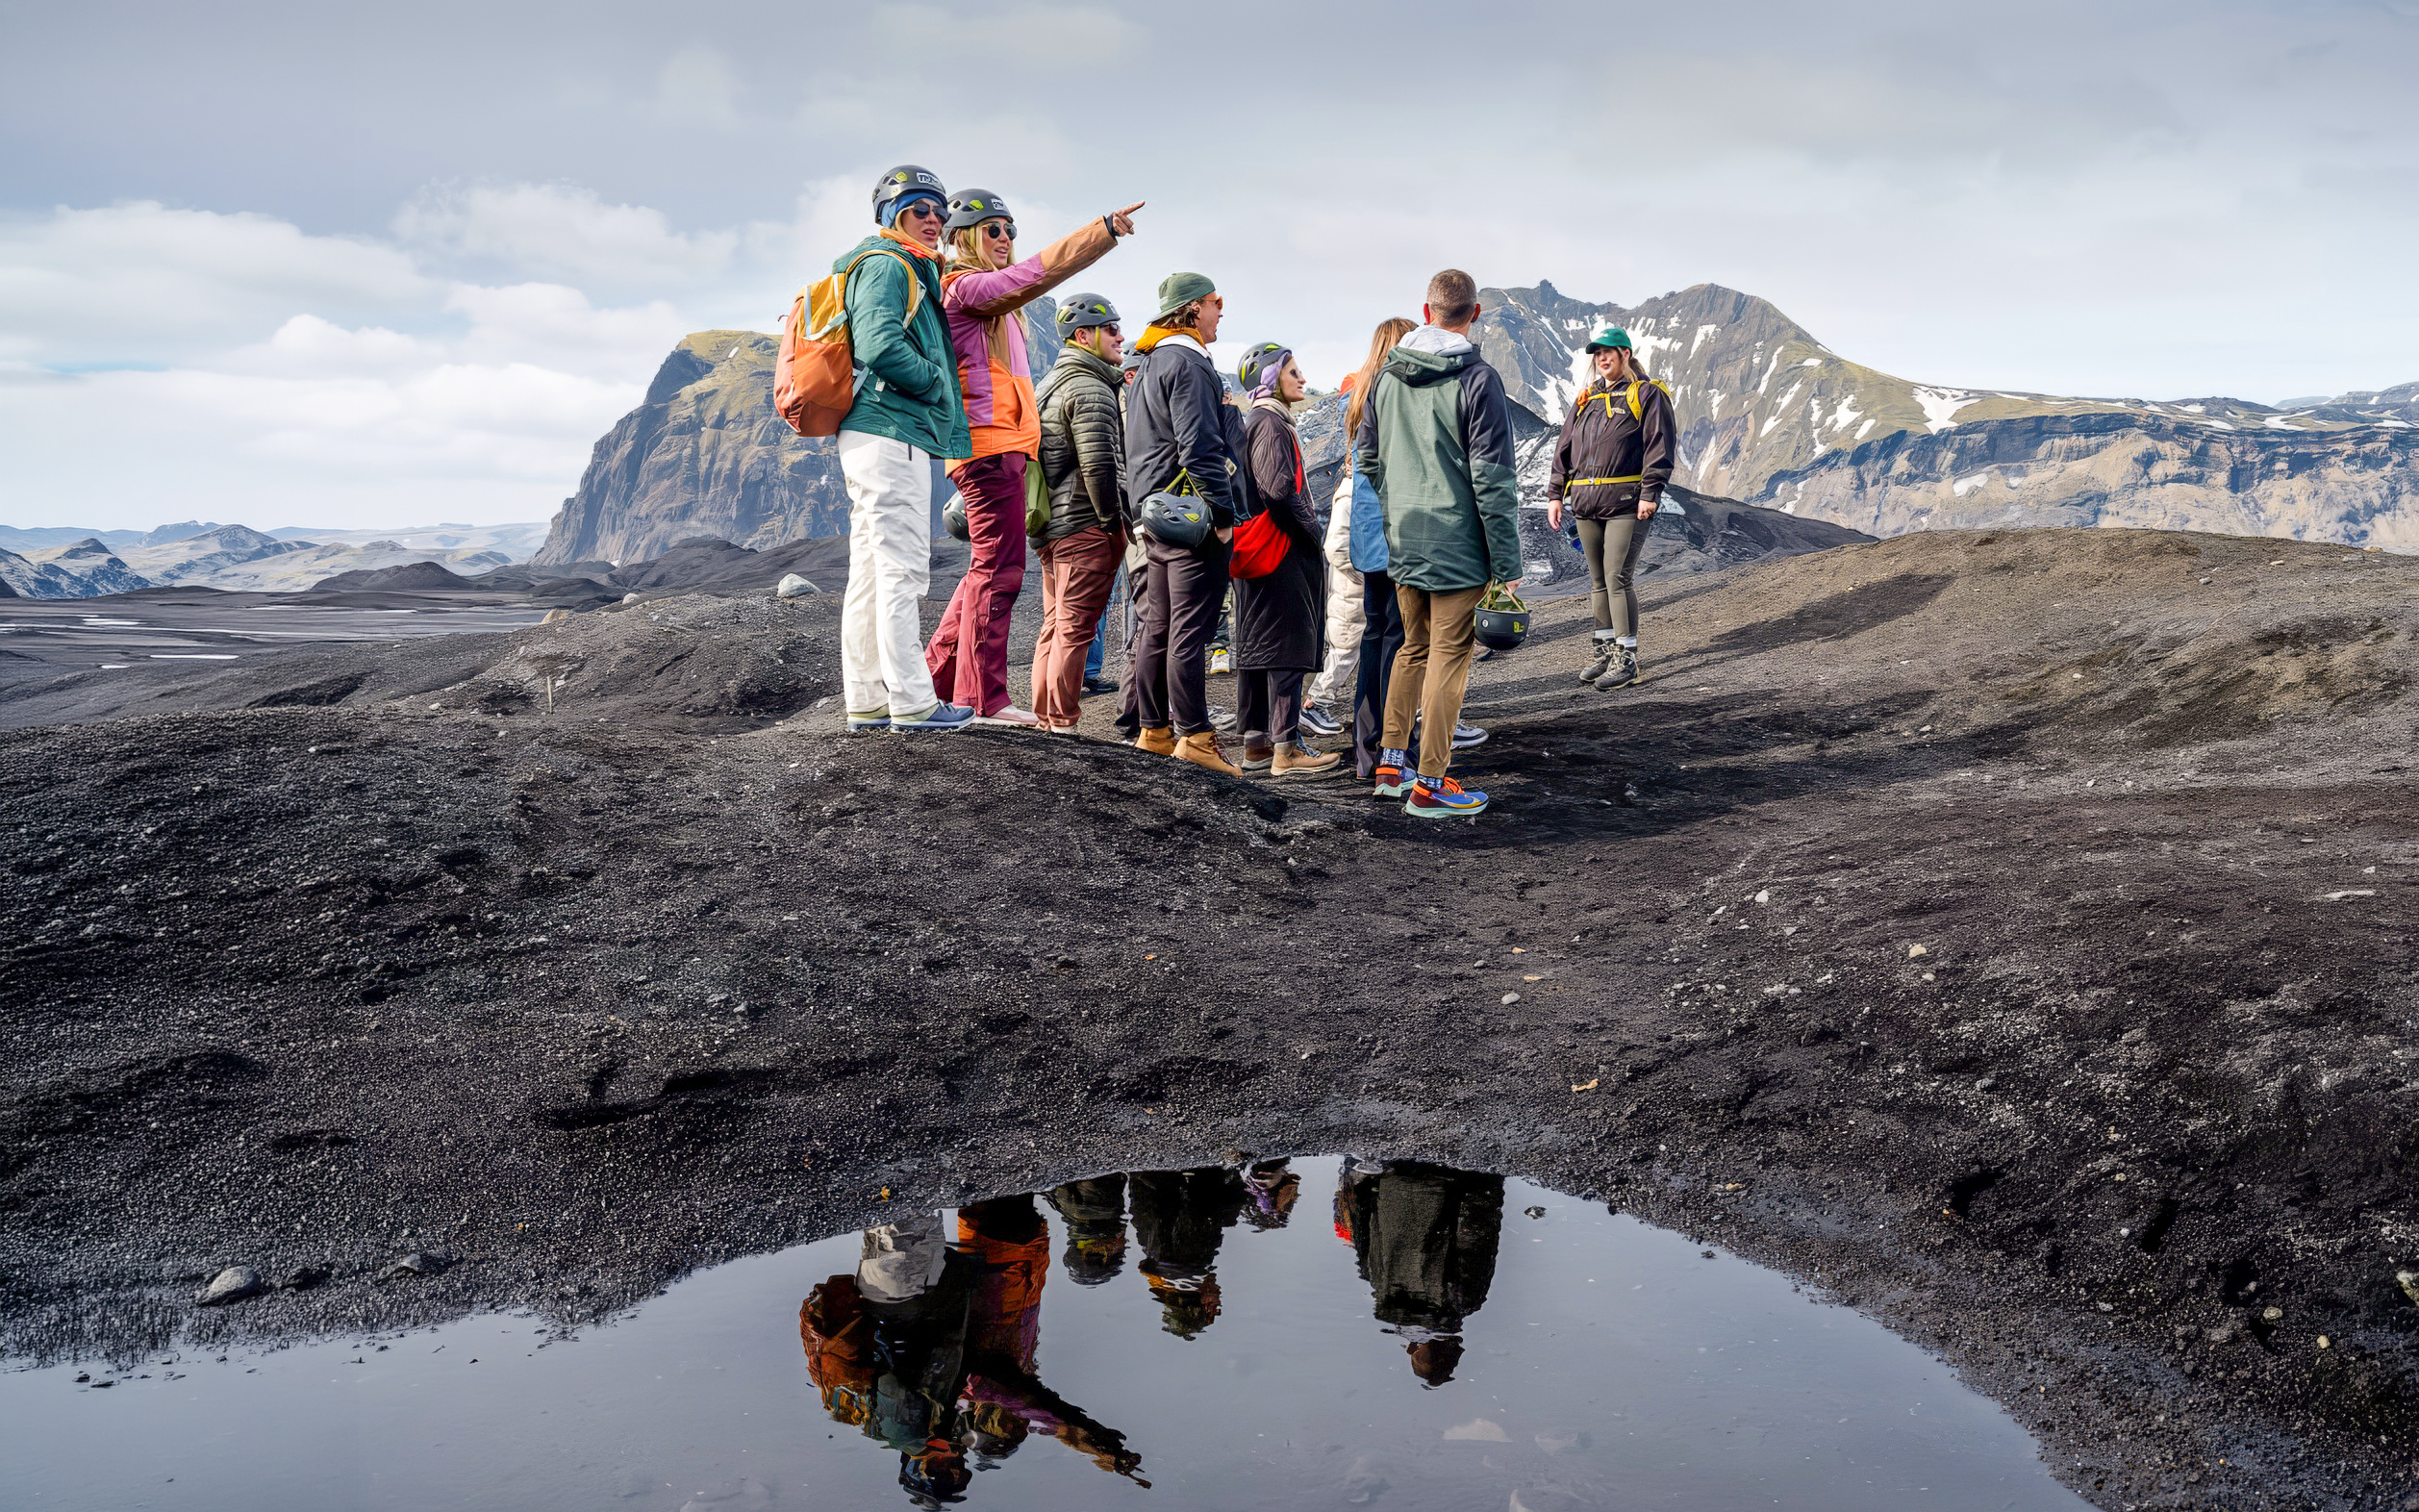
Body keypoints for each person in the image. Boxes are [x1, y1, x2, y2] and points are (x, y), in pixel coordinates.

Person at [922, 189, 1142, 727]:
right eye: (993, 229)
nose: (1006, 238)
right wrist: (1102, 232)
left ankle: (933, 683)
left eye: (1011, 229)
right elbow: (1033, 275)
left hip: (1000, 445)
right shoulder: (967, 287)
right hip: (990, 444)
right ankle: (984, 699)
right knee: (997, 571)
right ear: (965, 235)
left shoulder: (990, 306)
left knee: (985, 570)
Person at [1354, 269, 1523, 818]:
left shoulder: (1384, 379)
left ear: (1426, 313)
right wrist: (1506, 561)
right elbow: (1493, 481)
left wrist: (1398, 509)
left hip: (1405, 540)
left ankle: (1390, 767)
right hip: (1460, 546)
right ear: (1474, 316)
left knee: (1412, 648)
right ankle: (1431, 783)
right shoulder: (1478, 379)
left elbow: (1370, 461)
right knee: (1450, 656)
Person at [834, 166, 975, 735]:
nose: (935, 222)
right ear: (894, 215)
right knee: (902, 569)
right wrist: (935, 382)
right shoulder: (888, 265)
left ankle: (867, 699)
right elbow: (878, 342)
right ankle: (914, 701)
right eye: (921, 210)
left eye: (940, 213)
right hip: (893, 431)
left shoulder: (893, 265)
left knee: (870, 570)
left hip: (876, 432)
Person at [1123, 272, 1244, 775]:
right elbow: (1200, 447)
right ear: (1194, 309)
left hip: (1155, 515)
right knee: (1190, 631)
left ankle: (1154, 731)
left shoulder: (1150, 363)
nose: (1222, 312)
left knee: (1159, 624)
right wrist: (1220, 515)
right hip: (1190, 518)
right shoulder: (1191, 364)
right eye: (1217, 302)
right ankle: (1195, 735)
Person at [1231, 341, 1341, 777]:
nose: (1303, 379)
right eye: (1293, 371)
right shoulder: (1272, 424)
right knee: (1285, 646)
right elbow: (1278, 489)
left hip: (1259, 553)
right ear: (1271, 377)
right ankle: (1287, 749)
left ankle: (1257, 745)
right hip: (1279, 551)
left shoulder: (1256, 420)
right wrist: (1312, 531)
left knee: (1258, 646)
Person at [1549, 320, 1676, 691]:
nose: (1602, 358)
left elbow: (1659, 446)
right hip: (1585, 504)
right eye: (1597, 353)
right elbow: (1564, 449)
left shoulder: (1647, 394)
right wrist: (1556, 494)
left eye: (1609, 351)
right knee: (1597, 580)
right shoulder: (1586, 399)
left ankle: (1627, 659)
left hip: (1625, 502)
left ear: (1626, 354)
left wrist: (1650, 494)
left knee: (1617, 576)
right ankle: (1605, 650)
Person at [1029, 291, 1129, 733]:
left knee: (1054, 626)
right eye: (1111, 329)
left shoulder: (1050, 382)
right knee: (1073, 629)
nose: (1120, 336)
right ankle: (1064, 723)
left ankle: (1047, 718)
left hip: (1051, 527)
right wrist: (1112, 524)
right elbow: (1099, 463)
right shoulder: (1089, 386)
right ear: (1083, 336)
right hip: (1084, 525)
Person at [1340, 1162, 1505, 1387]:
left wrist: (1487, 1177)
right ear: (1411, 1349)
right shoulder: (1378, 1287)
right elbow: (1361, 1228)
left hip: (1448, 1173)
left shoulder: (1461, 1303)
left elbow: (1476, 1235)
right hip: (1391, 1174)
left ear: (1453, 1347)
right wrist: (1365, 1179)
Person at [1340, 317, 1414, 779]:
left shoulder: (1361, 393)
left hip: (1367, 532)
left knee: (1373, 634)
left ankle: (1366, 747)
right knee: (1398, 639)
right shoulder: (1395, 390)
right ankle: (1394, 745)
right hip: (1394, 529)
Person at [1299, 462, 1359, 738]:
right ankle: (1314, 703)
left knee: (1347, 650)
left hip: (1354, 591)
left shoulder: (1355, 490)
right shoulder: (1350, 494)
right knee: (1345, 650)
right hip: (1352, 593)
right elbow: (1336, 547)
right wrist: (1364, 575)